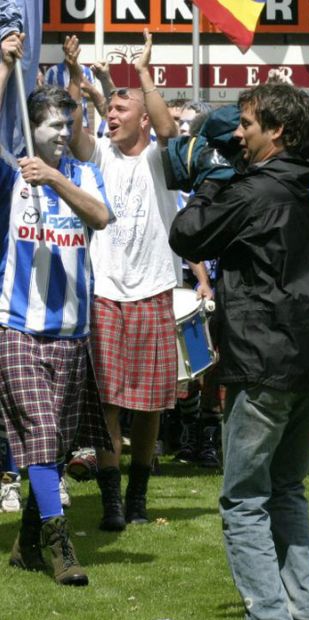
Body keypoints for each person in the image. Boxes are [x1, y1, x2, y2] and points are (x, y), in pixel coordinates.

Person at [170, 82, 309, 620]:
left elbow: (187, 234)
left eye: (246, 125)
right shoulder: (304, 184)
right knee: (287, 487)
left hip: (266, 360)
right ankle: (306, 608)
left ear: (277, 130)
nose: (238, 135)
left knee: (245, 498)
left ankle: (269, 612)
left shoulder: (253, 192)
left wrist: (206, 178)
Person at [0, 35, 112, 585]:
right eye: (52, 127)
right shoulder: (10, 178)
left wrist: (58, 180)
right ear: (31, 129)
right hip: (16, 326)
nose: (63, 134)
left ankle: (25, 545)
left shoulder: (83, 175)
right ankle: (60, 544)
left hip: (71, 331)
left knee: (52, 443)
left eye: (68, 126)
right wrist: (4, 64)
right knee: (42, 432)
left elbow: (101, 218)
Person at [64, 31, 180, 531]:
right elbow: (73, 133)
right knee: (109, 400)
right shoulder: (102, 155)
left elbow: (170, 129)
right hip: (106, 291)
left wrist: (146, 75)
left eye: (119, 108)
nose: (110, 115)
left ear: (140, 116)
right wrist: (74, 75)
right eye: (107, 109)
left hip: (154, 288)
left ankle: (137, 496)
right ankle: (112, 501)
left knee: (150, 404)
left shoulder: (159, 157)